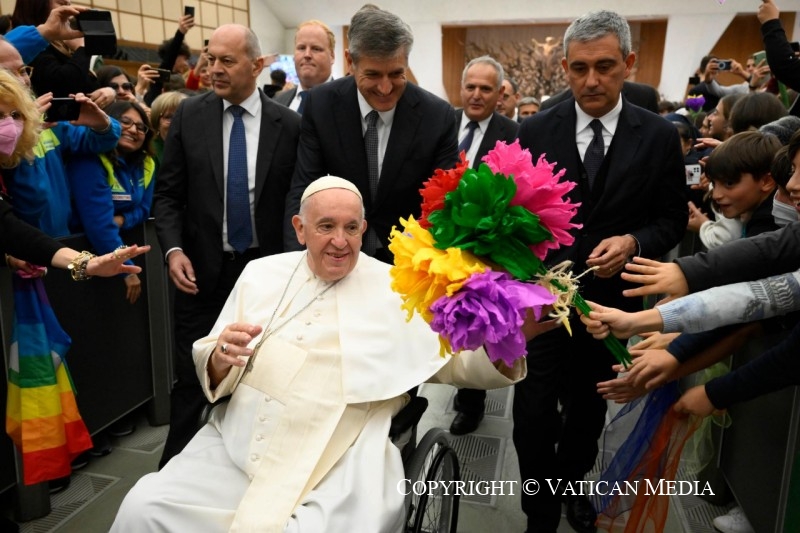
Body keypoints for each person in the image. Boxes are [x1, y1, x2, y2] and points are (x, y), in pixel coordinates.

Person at [110, 175, 557, 533]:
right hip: (239, 440)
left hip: (344, 448)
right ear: (300, 229)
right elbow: (212, 350)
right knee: (145, 508)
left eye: (351, 227)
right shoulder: (259, 273)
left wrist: (515, 338)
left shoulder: (398, 284)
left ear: (365, 228)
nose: (340, 241)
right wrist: (219, 358)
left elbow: (457, 363)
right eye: (325, 226)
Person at [512, 10, 688, 533]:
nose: (592, 80)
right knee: (534, 414)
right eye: (580, 68)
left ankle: (574, 486)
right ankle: (538, 512)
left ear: (628, 64)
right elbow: (514, 214)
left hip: (614, 307)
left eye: (606, 67)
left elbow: (672, 218)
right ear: (564, 67)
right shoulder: (534, 129)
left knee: (590, 411)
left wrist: (634, 241)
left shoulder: (657, 136)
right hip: (543, 303)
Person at [152, 23, 301, 468]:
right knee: (191, 379)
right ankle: (171, 475)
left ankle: (250, 469)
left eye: (226, 61)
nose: (213, 69)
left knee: (262, 377)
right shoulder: (190, 116)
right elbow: (168, 195)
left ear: (257, 66)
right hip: (200, 275)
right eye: (209, 58)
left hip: (265, 277)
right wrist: (173, 250)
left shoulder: (289, 126)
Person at [283, 5, 458, 263]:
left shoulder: (437, 116)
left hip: (410, 262)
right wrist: (295, 263)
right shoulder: (321, 106)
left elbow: (445, 204)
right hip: (337, 255)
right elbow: (304, 189)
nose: (386, 88)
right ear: (350, 61)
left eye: (396, 74)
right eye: (373, 75)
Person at [450, 55, 519, 435]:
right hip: (441, 239)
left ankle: (472, 400)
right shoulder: (442, 125)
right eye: (470, 87)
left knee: (474, 321)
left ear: (500, 94)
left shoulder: (513, 133)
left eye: (485, 89)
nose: (476, 95)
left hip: (486, 245)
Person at [67, 101, 155, 304]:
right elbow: (99, 224)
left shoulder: (146, 162)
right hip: (82, 253)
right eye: (125, 122)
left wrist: (123, 220)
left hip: (117, 249)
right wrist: (126, 269)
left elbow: (144, 208)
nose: (134, 130)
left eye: (141, 127)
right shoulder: (89, 158)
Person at [10, 0, 115, 107]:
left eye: (68, 4)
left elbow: (86, 86)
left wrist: (109, 91)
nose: (69, 8)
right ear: (36, 5)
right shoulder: (27, 45)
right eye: (62, 4)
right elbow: (62, 84)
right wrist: (82, 48)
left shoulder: (64, 45)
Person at [272, 20, 335, 114]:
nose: (307, 55)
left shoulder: (349, 102)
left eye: (316, 49)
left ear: (332, 56)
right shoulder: (277, 103)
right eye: (301, 48)